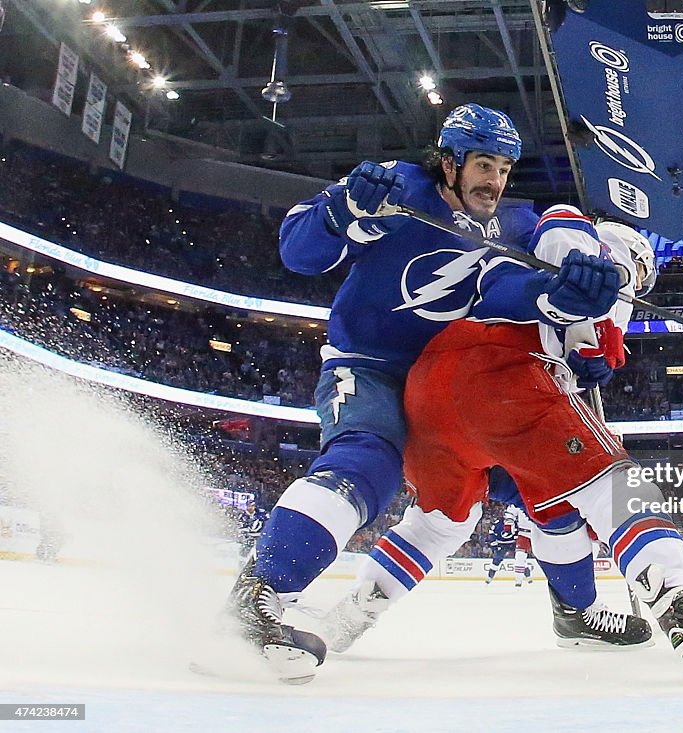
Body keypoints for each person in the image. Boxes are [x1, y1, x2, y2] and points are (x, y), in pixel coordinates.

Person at [223, 105, 623, 683]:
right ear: (449, 161)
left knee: (555, 485)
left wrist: (567, 299)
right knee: (367, 460)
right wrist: (343, 209)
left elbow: (513, 292)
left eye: (505, 168)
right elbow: (298, 252)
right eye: (484, 164)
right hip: (370, 366)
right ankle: (259, 596)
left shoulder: (513, 226)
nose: (495, 179)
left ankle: (578, 611)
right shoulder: (399, 188)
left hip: (448, 388)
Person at [327, 208, 683, 679]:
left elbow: (580, 338)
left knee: (446, 522)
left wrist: (587, 351)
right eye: (639, 274)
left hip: (431, 389)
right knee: (615, 484)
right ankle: (681, 608)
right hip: (504, 377)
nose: (635, 286)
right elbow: (563, 237)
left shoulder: (591, 292)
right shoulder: (592, 251)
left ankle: (353, 612)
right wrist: (597, 301)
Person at [484, 506, 518, 584]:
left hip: (512, 544)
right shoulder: (498, 523)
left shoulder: (514, 522)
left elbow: (517, 532)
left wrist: (517, 541)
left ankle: (527, 577)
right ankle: (489, 578)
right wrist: (495, 546)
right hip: (501, 545)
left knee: (520, 559)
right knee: (496, 561)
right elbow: (491, 533)